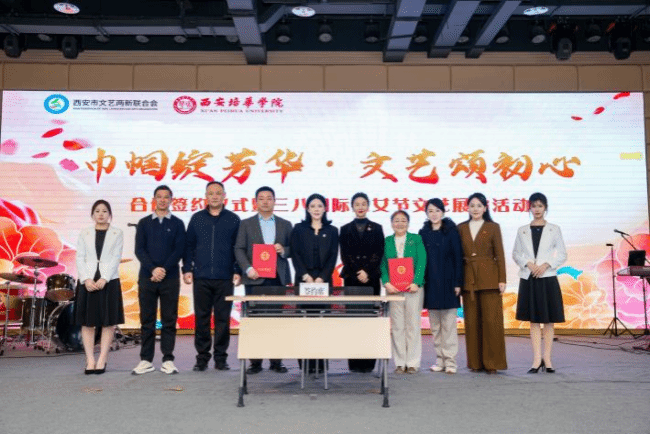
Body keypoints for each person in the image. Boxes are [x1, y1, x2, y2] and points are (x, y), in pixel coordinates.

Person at [183, 181, 241, 372]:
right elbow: (188, 245)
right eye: (211, 193)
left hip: (225, 278)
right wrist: (187, 268)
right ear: (206, 196)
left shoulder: (233, 219)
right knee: (202, 318)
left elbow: (238, 248)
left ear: (224, 196)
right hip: (201, 277)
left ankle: (221, 358)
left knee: (223, 320)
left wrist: (237, 270)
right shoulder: (197, 218)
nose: (214, 196)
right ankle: (202, 358)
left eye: (218, 193)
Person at [235, 186, 292, 375]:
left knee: (277, 321)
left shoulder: (285, 224)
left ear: (275, 201)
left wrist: (283, 250)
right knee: (254, 321)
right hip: (254, 278)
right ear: (256, 202)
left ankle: (276, 361)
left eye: (269, 198)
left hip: (277, 278)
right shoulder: (246, 224)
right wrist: (248, 268)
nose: (265, 201)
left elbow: (294, 249)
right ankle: (255, 362)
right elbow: (239, 249)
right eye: (261, 198)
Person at [132, 185, 186, 375]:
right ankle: (146, 360)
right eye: (159, 197)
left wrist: (163, 269)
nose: (162, 200)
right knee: (147, 320)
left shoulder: (178, 224)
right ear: (154, 199)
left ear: (171, 200)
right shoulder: (144, 223)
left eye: (166, 197)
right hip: (147, 277)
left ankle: (168, 359)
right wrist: (153, 269)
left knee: (169, 319)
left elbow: (179, 250)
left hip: (170, 278)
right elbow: (139, 250)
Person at [512, 192, 567, 374]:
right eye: (534, 206)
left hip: (547, 277)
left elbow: (562, 254)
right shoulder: (522, 230)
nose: (537, 209)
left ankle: (548, 359)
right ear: (530, 208)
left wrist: (545, 265)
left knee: (549, 320)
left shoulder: (554, 229)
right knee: (534, 321)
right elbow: (516, 254)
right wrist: (529, 264)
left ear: (545, 208)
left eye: (540, 206)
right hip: (529, 277)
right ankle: (536, 360)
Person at [457, 192, 507, 374]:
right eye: (472, 205)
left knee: (492, 321)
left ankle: (492, 363)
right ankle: (476, 363)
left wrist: (502, 279)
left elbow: (500, 254)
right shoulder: (461, 228)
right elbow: (457, 256)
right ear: (467, 208)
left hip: (490, 279)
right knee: (471, 322)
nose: (475, 209)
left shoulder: (493, 227)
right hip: (468, 278)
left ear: (485, 208)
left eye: (479, 205)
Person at [74, 199, 124, 375]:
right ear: (92, 214)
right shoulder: (85, 232)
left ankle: (102, 359)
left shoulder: (117, 233)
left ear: (109, 214)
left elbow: (116, 257)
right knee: (87, 322)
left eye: (104, 211)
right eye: (97, 211)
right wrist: (86, 279)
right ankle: (90, 360)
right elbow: (80, 257)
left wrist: (104, 278)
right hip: (88, 281)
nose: (101, 214)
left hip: (109, 281)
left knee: (108, 322)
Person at [290, 193, 339, 373]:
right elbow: (295, 254)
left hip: (323, 281)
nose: (316, 209)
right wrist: (306, 276)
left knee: (322, 323)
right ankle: (305, 364)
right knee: (304, 323)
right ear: (307, 209)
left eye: (319, 206)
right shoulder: (299, 229)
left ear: (325, 209)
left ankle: (321, 364)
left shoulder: (332, 230)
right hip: (304, 280)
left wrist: (321, 278)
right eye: (313, 206)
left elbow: (333, 256)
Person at [339, 192, 384, 373]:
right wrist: (358, 271)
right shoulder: (345, 229)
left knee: (370, 321)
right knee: (353, 320)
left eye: (363, 204)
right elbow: (345, 255)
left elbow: (379, 253)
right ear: (352, 207)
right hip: (352, 278)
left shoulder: (377, 228)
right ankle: (354, 363)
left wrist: (367, 271)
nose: (360, 207)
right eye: (357, 204)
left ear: (368, 206)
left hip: (371, 280)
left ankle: (368, 363)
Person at [418, 198, 463, 375]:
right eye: (430, 211)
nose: (434, 214)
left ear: (443, 212)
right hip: (431, 284)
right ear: (426, 213)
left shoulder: (451, 231)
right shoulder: (423, 233)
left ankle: (451, 362)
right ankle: (440, 360)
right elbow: (420, 260)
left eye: (437, 210)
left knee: (449, 326)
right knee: (435, 327)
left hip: (449, 284)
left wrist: (458, 282)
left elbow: (458, 257)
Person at [380, 210, 426, 374]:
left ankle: (412, 362)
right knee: (397, 326)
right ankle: (399, 362)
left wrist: (416, 282)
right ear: (392, 223)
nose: (400, 223)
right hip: (393, 290)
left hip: (413, 289)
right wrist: (386, 283)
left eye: (403, 220)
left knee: (413, 325)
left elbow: (422, 261)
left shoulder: (416, 239)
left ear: (408, 223)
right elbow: (382, 264)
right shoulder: (387, 241)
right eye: (396, 220)